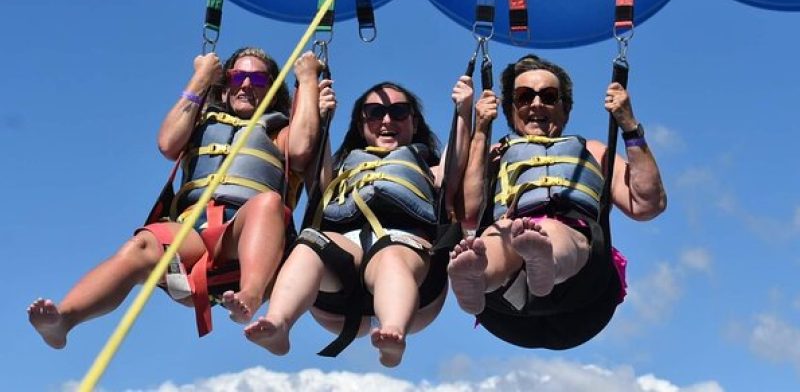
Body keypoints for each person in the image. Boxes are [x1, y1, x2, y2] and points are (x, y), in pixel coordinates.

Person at [28, 47, 327, 348]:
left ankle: (249, 295)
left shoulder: (279, 133)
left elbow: (302, 149)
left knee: (268, 203)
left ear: (272, 91)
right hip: (192, 233)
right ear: (224, 87)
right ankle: (64, 320)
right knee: (140, 246)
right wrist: (200, 78)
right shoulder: (201, 125)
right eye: (237, 76)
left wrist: (307, 81)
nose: (246, 85)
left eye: (258, 79)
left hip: (244, 234)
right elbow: (168, 143)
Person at [244, 77, 473, 367]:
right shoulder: (344, 167)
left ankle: (392, 332)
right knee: (309, 244)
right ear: (361, 124)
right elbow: (319, 186)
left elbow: (455, 168)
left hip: (405, 250)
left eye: (399, 112)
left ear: (414, 123)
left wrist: (464, 113)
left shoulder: (428, 168)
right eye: (375, 113)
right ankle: (278, 323)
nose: (387, 119)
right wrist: (322, 116)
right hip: (344, 261)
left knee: (391, 252)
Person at [448, 54, 666, 349]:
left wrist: (628, 126)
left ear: (564, 110)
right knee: (492, 240)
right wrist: (482, 129)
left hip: (581, 287)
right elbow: (469, 214)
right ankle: (477, 280)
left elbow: (647, 203)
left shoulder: (593, 151)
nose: (536, 104)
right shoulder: (496, 152)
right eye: (524, 96)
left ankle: (543, 263)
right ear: (512, 110)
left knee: (548, 231)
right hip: (507, 298)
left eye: (548, 96)